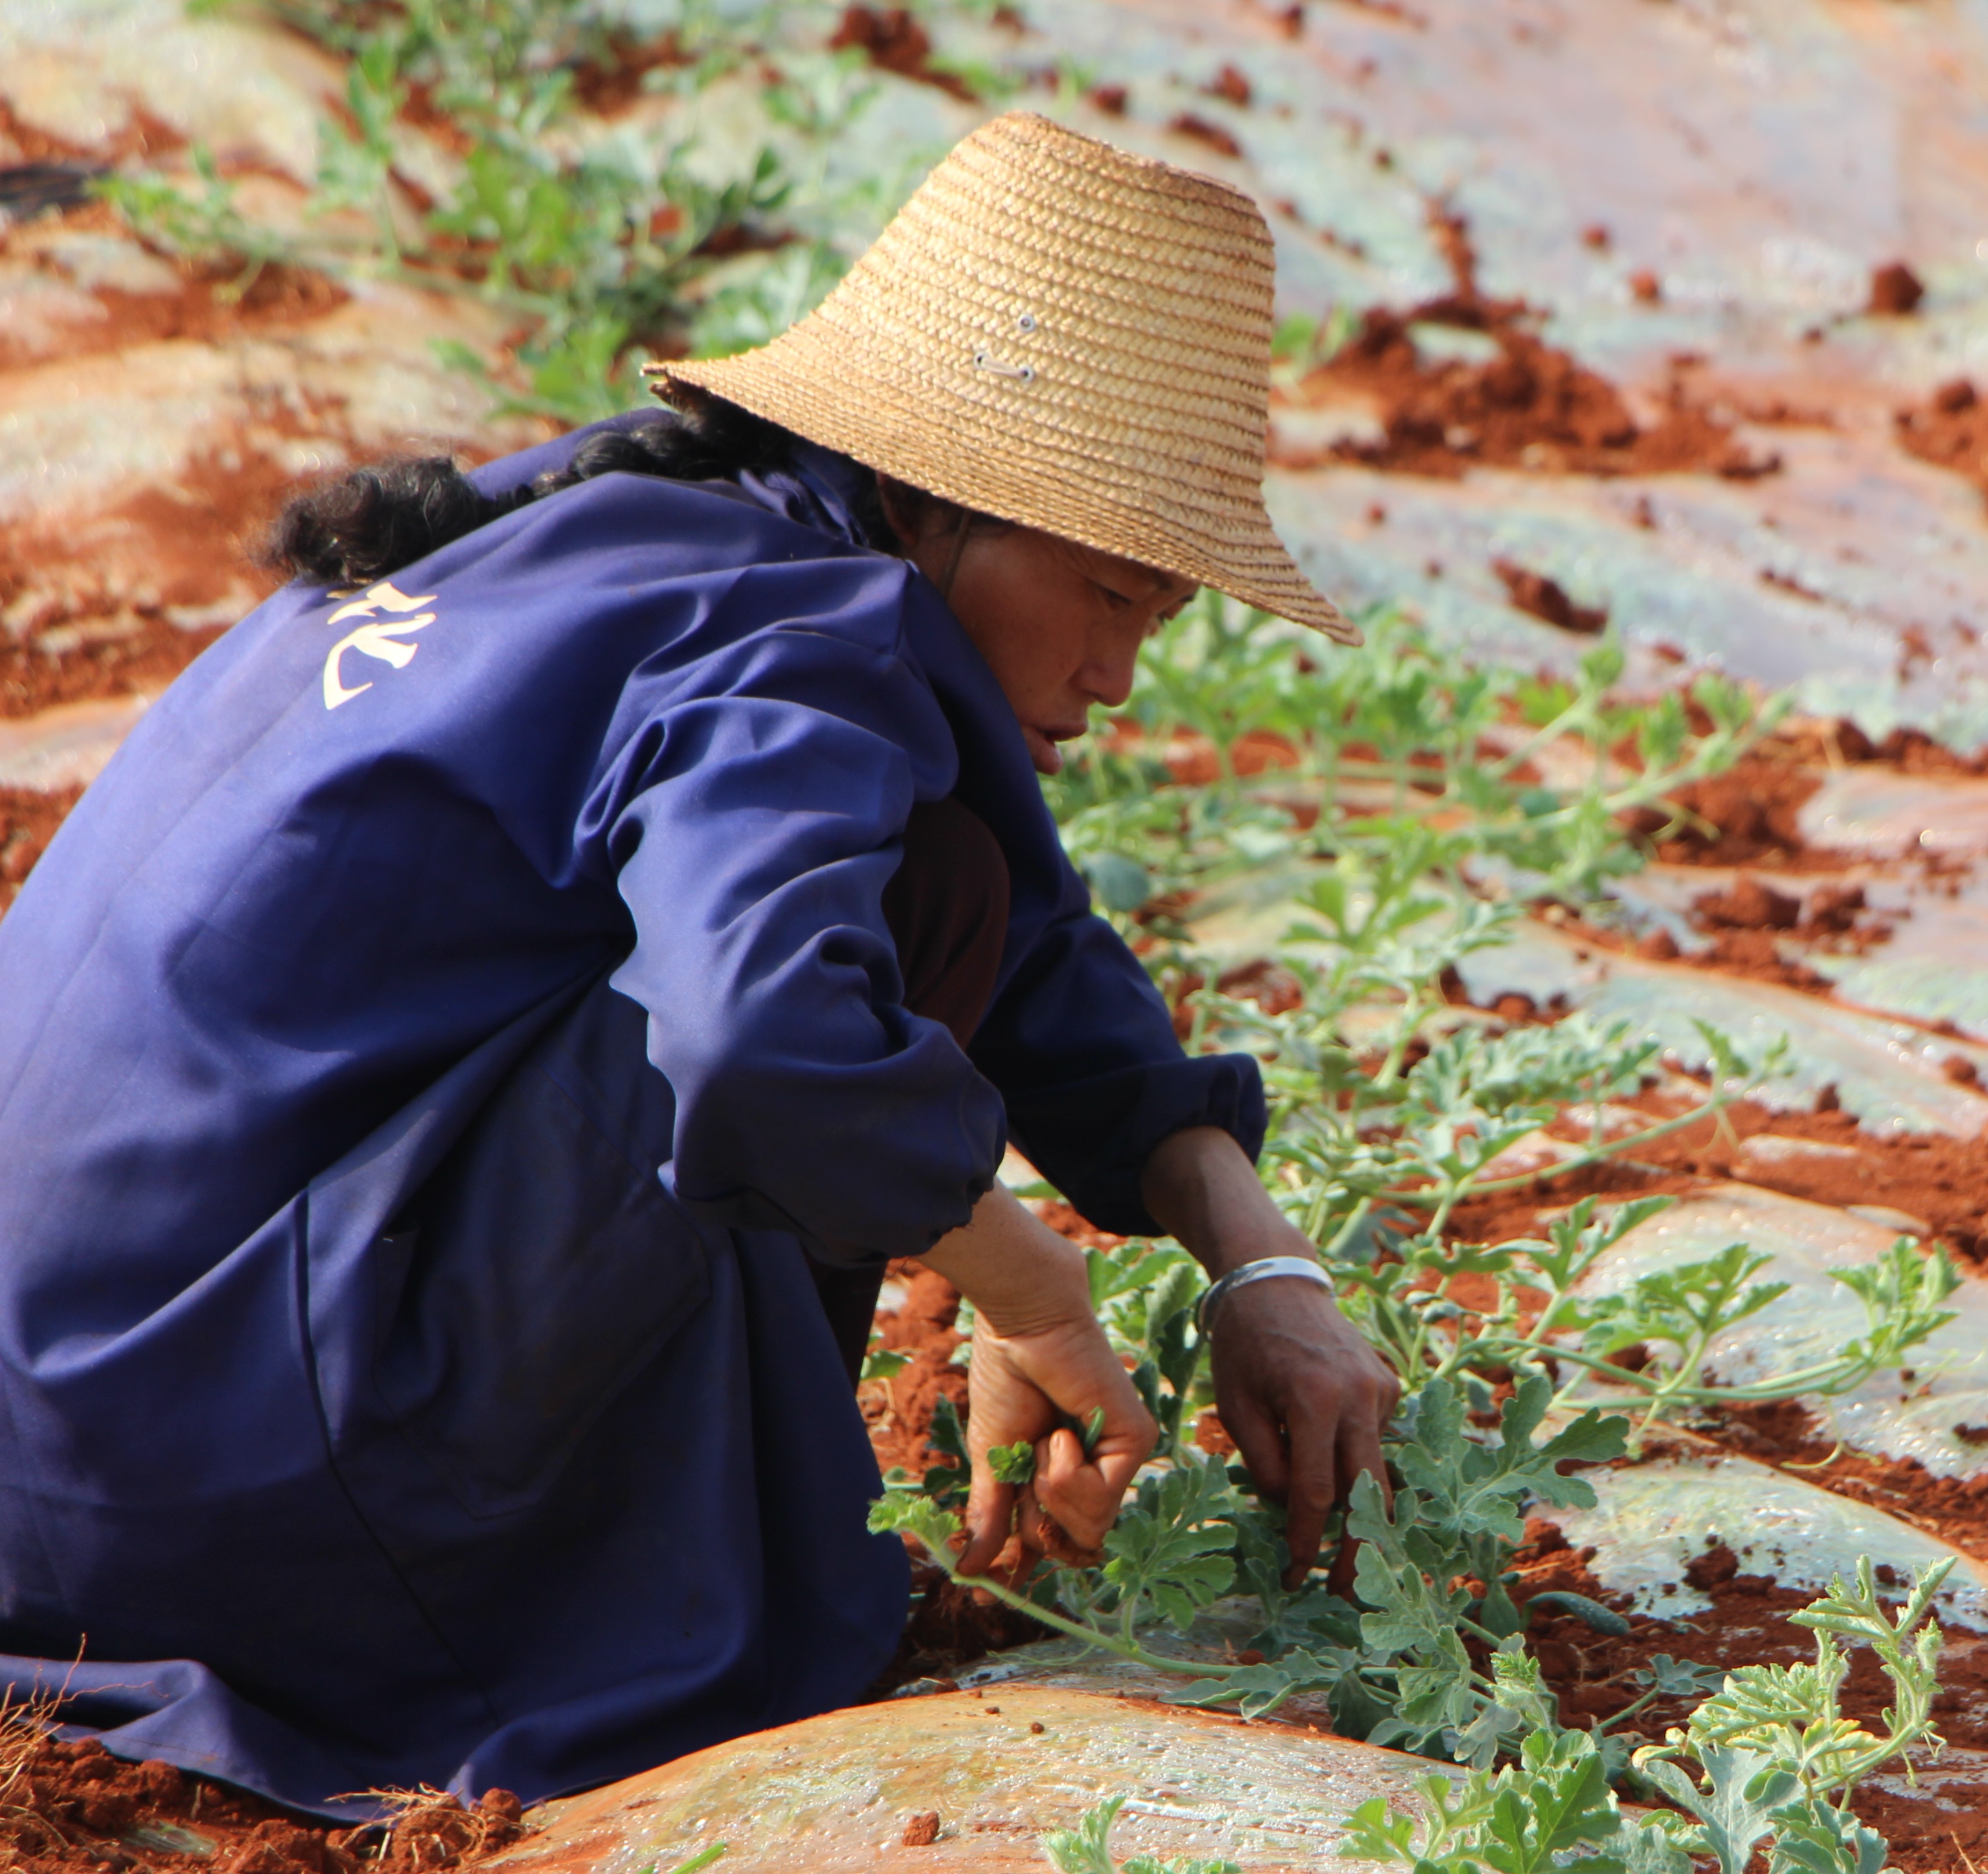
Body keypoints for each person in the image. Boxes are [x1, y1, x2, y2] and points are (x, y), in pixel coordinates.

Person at [0, 114, 1398, 1815]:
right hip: (231, 1481)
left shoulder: (625, 510)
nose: (1117, 675)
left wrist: (1267, 1272)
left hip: (61, 1411)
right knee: (898, 902)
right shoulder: (806, 637)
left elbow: (1033, 950)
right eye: (1106, 595)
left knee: (923, 876)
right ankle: (555, 1622)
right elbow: (768, 1046)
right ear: (933, 499)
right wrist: (1029, 1288)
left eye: (1157, 623)